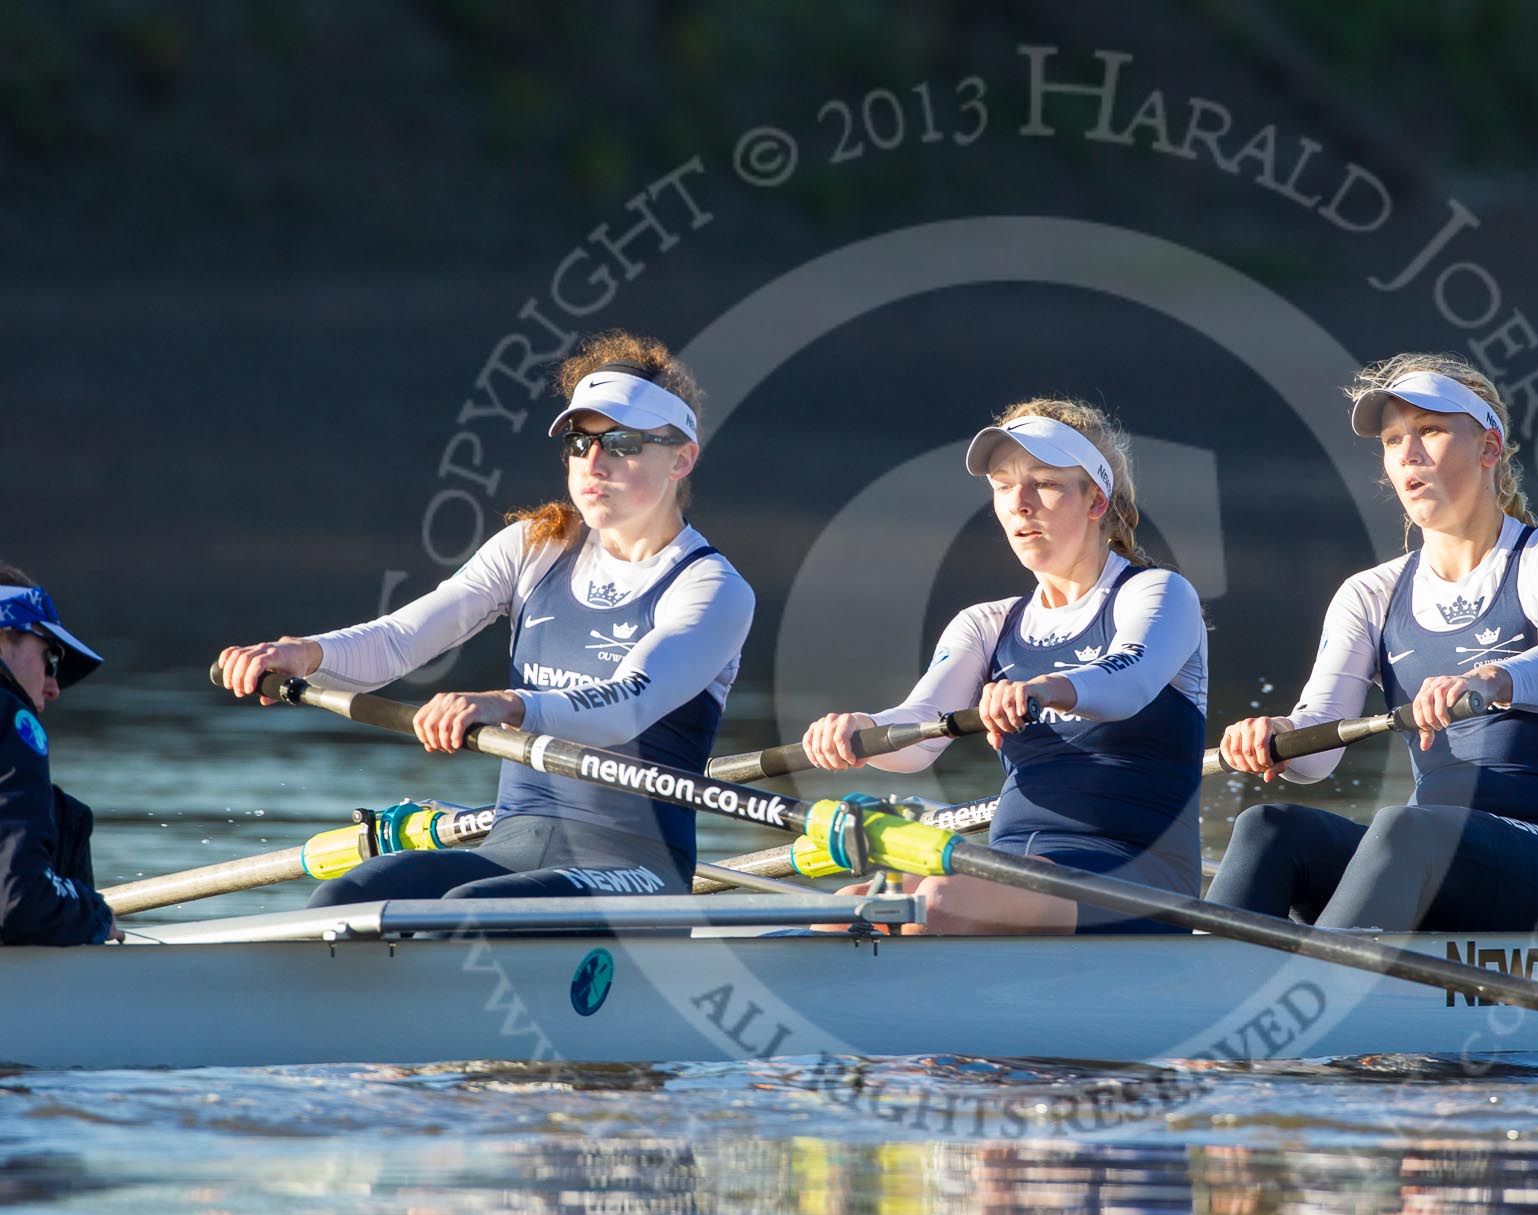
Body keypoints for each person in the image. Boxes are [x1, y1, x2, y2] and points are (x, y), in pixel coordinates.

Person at [218, 330, 754, 904]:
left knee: (469, 913)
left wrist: (508, 704)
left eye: (622, 443)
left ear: (682, 458)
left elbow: (629, 703)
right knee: (342, 899)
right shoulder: (534, 546)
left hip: (637, 865)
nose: (593, 463)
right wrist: (306, 654)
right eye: (579, 442)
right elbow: (398, 641)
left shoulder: (712, 587)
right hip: (510, 842)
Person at [1207, 353, 1538, 932]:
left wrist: (1490, 678)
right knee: (1270, 828)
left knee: (1406, 826)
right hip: (1433, 854)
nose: (1408, 453)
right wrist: (1278, 735)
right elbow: (1319, 750)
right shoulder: (1369, 593)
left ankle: (1323, 999)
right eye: (1393, 439)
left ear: (1489, 448)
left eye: (1430, 431)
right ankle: (1205, 998)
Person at [801, 398, 1208, 935]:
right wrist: (865, 729)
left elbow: (1129, 681)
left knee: (939, 902)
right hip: (1009, 866)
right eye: (1002, 485)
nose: (1019, 503)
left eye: (1044, 483)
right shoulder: (987, 623)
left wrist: (1041, 689)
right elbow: (922, 732)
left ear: (1095, 500)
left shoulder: (1158, 593)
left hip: (1138, 872)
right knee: (842, 912)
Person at [0, 566, 119, 944]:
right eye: (50, 658)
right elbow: (21, 899)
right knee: (66, 816)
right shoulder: (10, 716)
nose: (53, 688)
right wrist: (95, 915)